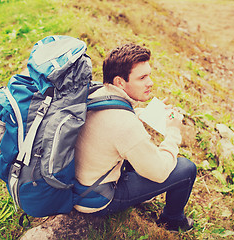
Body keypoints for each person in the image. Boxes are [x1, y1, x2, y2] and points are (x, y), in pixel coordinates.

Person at [74, 43, 197, 232]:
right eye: (142, 78)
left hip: (77, 184)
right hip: (97, 198)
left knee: (138, 154)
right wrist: (173, 132)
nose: (150, 82)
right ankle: (173, 221)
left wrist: (144, 114)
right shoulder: (124, 124)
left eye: (149, 75)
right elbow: (159, 172)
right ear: (120, 82)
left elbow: (110, 124)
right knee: (186, 168)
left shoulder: (97, 92)